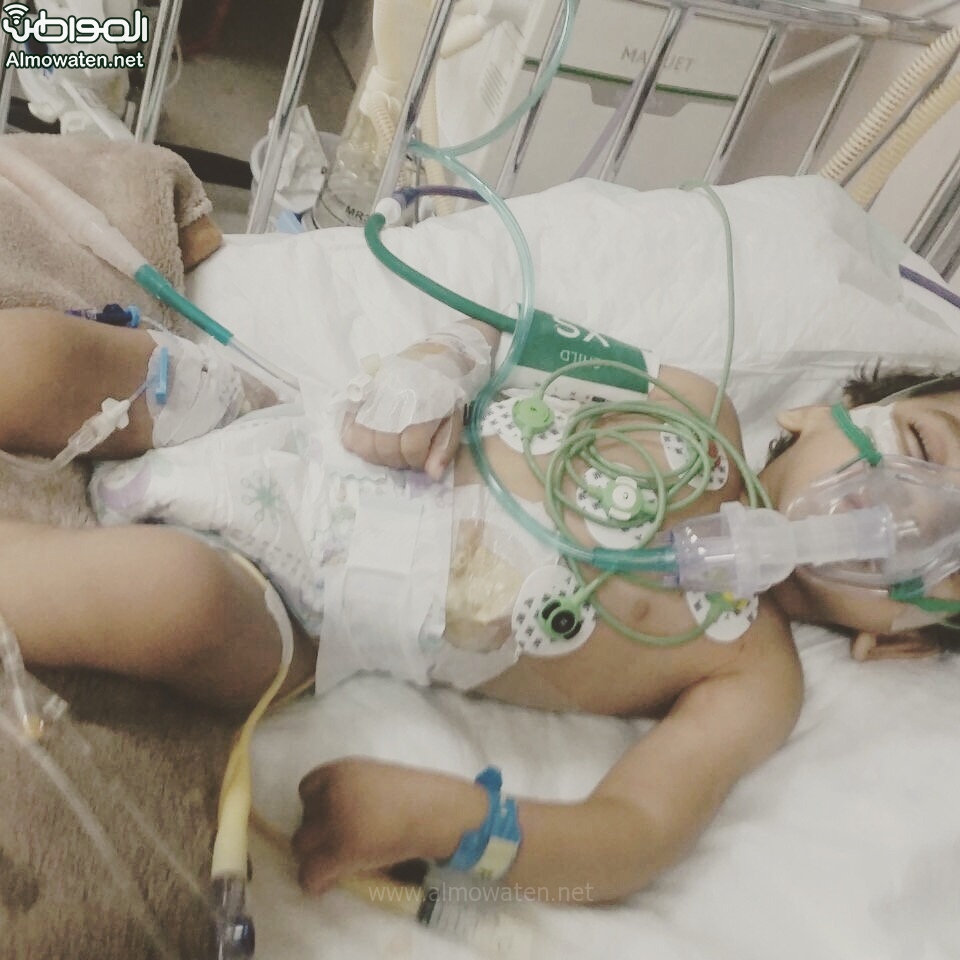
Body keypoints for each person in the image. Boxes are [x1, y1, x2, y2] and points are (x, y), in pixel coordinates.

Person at [0, 304, 955, 905]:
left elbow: (632, 837)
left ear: (907, 644)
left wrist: (450, 821)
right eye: (922, 445)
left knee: (169, 599)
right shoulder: (691, 404)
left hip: (295, 605)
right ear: (814, 413)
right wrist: (439, 364)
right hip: (281, 428)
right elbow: (504, 328)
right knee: (43, 359)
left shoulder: (750, 671)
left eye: (954, 555)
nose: (907, 512)